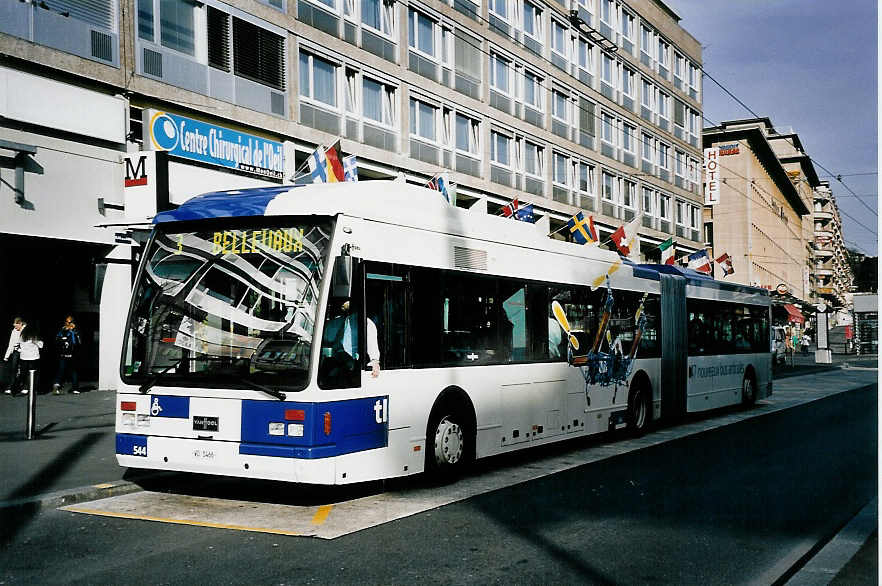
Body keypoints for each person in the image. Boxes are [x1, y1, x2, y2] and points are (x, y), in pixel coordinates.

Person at [11, 322, 42, 395]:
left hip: (24, 358)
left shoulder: (22, 336)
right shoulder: (34, 337)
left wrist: (21, 351)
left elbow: (17, 346)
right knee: (34, 374)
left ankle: (15, 389)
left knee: (22, 375)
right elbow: (41, 346)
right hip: (34, 358)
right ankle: (32, 389)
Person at [53, 315, 81, 394]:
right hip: (63, 354)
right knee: (61, 369)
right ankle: (56, 385)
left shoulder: (75, 331)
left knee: (73, 371)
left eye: (70, 322)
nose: (68, 324)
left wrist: (73, 332)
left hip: (72, 354)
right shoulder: (62, 330)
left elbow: (77, 343)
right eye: (67, 322)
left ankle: (75, 387)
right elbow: (57, 340)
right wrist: (63, 340)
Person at [3, 317, 25, 394]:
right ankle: (11, 386)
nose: (15, 327)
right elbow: (11, 344)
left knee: (23, 369)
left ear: (21, 324)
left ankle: (22, 386)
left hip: (25, 352)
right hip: (16, 352)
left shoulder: (26, 330)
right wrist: (6, 356)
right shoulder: (14, 331)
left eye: (16, 326)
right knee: (13, 368)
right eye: (14, 326)